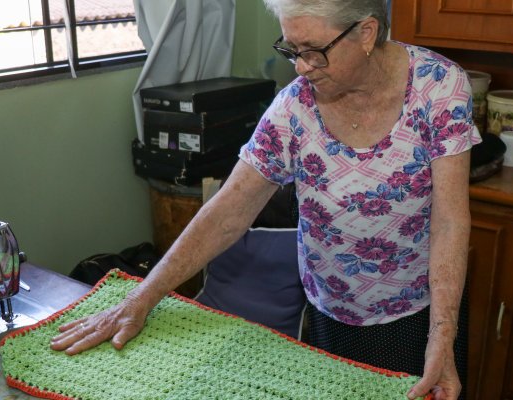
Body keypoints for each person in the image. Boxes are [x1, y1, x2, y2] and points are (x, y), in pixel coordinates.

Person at [50, 1, 480, 398]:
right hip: (328, 311)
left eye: (314, 50)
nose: (300, 68)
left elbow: (449, 220)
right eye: (291, 49)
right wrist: (140, 299)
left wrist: (441, 335)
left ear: (366, 33)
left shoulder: (438, 87)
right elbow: (226, 213)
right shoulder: (294, 108)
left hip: (422, 314)